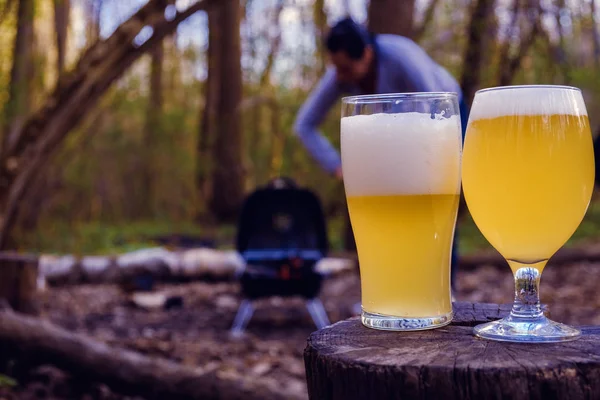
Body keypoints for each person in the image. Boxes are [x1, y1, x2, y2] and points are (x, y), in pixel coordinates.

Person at [293, 17, 468, 292]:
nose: (339, 76)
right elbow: (304, 124)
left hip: (445, 116)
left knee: (435, 205)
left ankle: (444, 289)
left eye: (346, 68)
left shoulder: (401, 56)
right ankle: (395, 290)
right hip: (389, 142)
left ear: (367, 54)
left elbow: (436, 106)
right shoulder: (340, 76)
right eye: (335, 68)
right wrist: (337, 165)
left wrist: (421, 164)